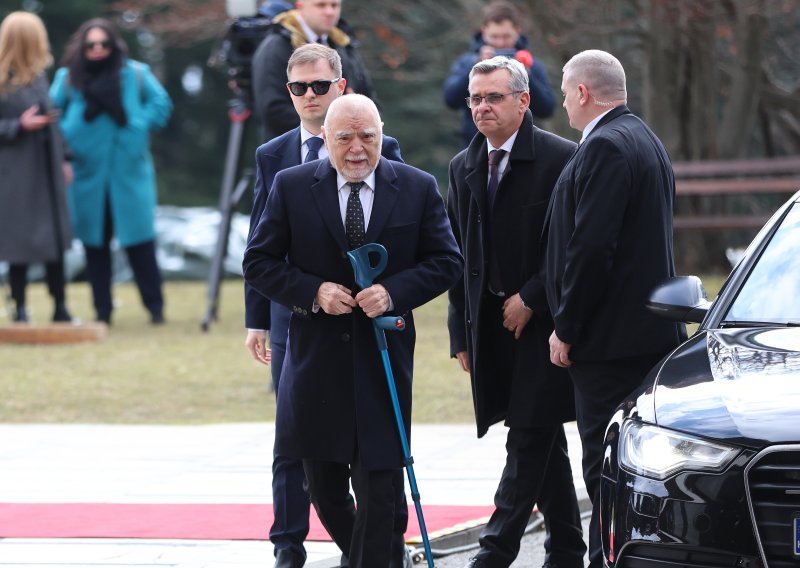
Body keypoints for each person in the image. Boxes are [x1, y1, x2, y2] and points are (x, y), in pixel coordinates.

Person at [243, 94, 462, 567]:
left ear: (383, 135)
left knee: (381, 491)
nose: (358, 148)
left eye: (369, 136)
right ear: (326, 140)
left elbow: (447, 261)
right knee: (323, 486)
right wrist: (314, 291)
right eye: (345, 137)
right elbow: (258, 262)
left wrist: (394, 292)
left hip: (382, 359)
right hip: (316, 361)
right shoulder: (292, 186)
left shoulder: (417, 187)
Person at [243, 43, 406, 568]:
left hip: (370, 324)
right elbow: (259, 246)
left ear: (342, 86)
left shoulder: (384, 148)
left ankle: (374, 553)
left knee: (370, 451)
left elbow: (409, 234)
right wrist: (260, 317)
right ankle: (289, 545)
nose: (309, 96)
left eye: (319, 85)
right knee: (297, 440)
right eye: (298, 88)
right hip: (297, 319)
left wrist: (393, 292)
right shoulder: (274, 157)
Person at [542, 49, 686, 568]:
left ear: (583, 93)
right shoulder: (645, 138)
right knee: (634, 466)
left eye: (564, 91)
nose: (561, 101)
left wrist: (567, 327)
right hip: (645, 336)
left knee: (605, 467)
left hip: (607, 342)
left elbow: (592, 248)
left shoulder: (604, 147)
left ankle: (609, 559)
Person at [446, 56, 585, 568]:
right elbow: (458, 254)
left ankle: (493, 553)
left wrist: (532, 296)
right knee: (542, 436)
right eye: (475, 99)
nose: (482, 107)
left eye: (494, 97)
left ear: (523, 101)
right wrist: (459, 333)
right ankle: (568, 550)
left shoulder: (563, 158)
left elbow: (572, 247)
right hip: (490, 326)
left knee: (527, 436)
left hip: (546, 325)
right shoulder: (462, 166)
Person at [49, 18, 172, 325]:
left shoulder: (135, 73)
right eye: (91, 44)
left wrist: (140, 124)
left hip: (128, 169)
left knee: (140, 241)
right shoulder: (68, 77)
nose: (99, 49)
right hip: (86, 173)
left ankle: (155, 308)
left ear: (114, 44)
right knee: (95, 244)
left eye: (104, 43)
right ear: (82, 46)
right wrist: (68, 139)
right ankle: (102, 311)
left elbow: (161, 103)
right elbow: (50, 113)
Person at [0, 11, 74, 324]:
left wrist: (64, 158)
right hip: (14, 173)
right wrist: (18, 125)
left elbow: (53, 123)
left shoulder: (41, 75)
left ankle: (60, 306)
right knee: (19, 242)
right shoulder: (2, 79)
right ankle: (19, 308)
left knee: (55, 241)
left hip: (46, 170)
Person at [251, 0, 376, 141]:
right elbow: (273, 111)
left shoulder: (344, 44)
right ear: (300, 6)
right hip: (293, 154)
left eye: (334, 5)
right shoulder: (276, 47)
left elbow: (370, 98)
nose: (329, 12)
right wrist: (338, 123)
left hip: (348, 151)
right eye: (321, 5)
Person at [443, 1, 555, 148]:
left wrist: (527, 76)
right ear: (484, 32)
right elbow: (450, 99)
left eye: (506, 37)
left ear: (518, 31)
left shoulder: (532, 64)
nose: (501, 43)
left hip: (523, 146)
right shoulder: (467, 61)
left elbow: (547, 109)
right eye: (494, 37)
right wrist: (476, 65)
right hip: (475, 145)